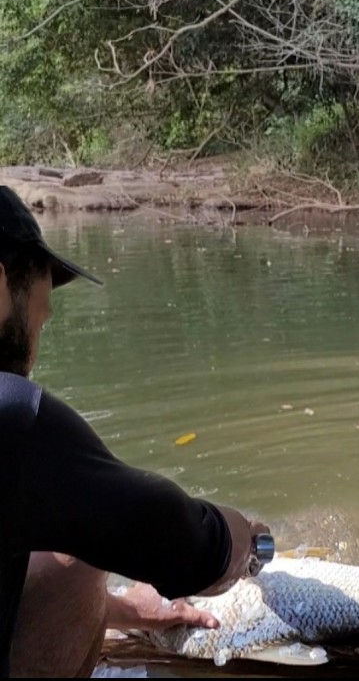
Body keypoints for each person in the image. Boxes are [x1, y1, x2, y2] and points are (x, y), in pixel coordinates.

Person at [0, 185, 271, 677]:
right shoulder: (11, 415)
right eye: (37, 318)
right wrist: (247, 544)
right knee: (77, 558)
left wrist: (122, 609)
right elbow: (177, 540)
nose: (38, 340)